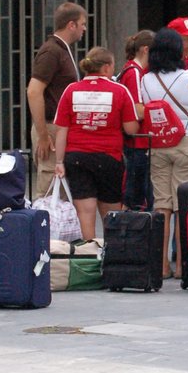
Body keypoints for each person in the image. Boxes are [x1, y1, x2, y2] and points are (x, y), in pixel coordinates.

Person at [141, 27, 188, 279]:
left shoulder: (146, 80)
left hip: (157, 143)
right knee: (183, 205)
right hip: (186, 141)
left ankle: (162, 265)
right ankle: (182, 266)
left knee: (162, 205)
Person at [53, 48, 138, 240]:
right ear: (107, 67)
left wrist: (59, 162)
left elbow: (61, 130)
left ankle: (89, 255)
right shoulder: (119, 90)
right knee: (111, 213)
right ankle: (112, 255)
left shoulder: (71, 90)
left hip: (76, 157)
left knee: (85, 211)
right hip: (109, 158)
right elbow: (131, 128)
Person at [26, 2, 87, 197]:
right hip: (51, 126)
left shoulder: (62, 49)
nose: (84, 28)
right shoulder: (51, 51)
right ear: (71, 25)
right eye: (82, 24)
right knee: (49, 185)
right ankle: (45, 226)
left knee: (59, 186)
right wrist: (43, 135)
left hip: (59, 126)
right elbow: (34, 91)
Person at [117, 30, 155, 210]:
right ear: (146, 50)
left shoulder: (132, 70)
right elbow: (137, 110)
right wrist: (160, 111)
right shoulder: (134, 73)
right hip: (138, 143)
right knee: (137, 199)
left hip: (137, 143)